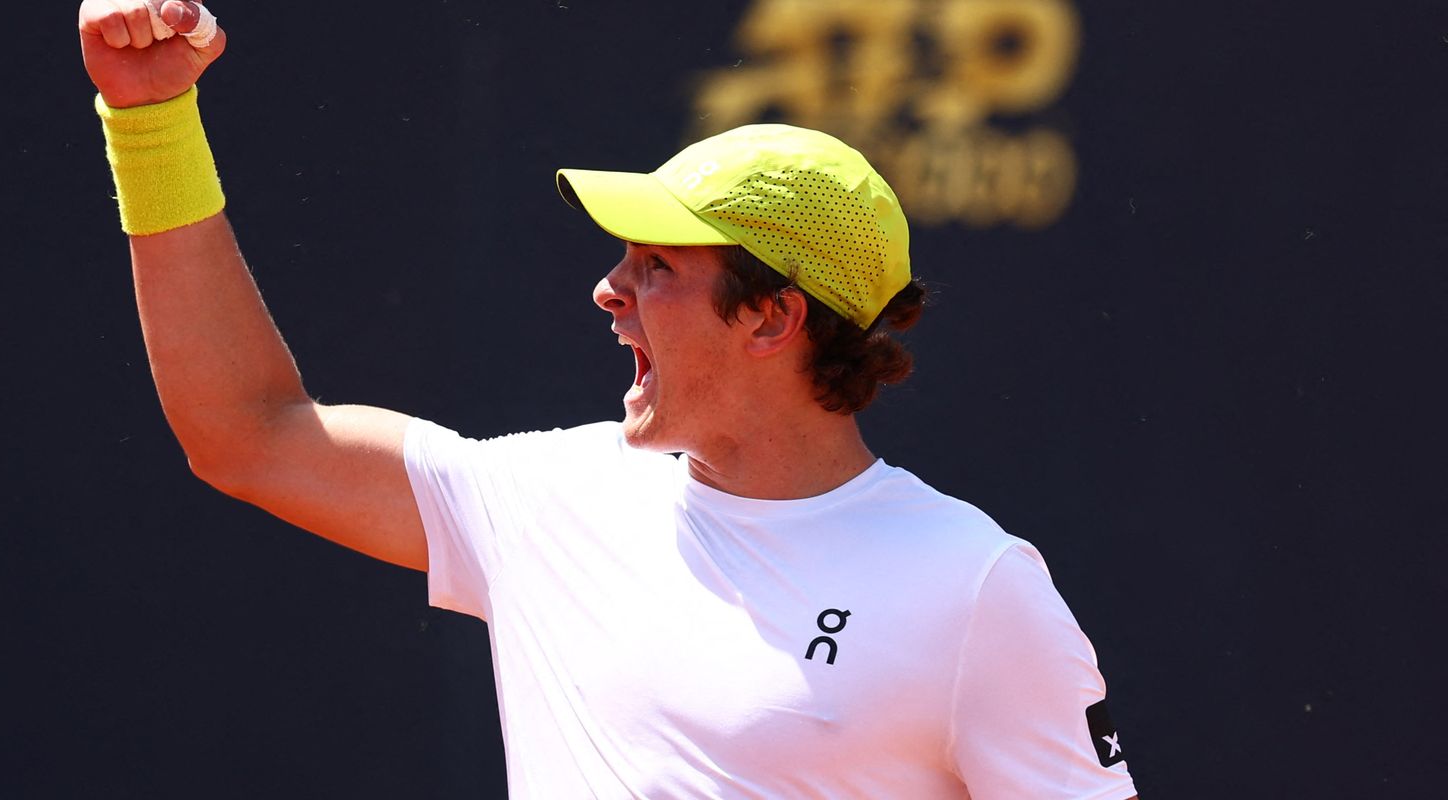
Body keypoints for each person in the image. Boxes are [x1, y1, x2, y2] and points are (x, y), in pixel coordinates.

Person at [78, 2, 1141, 797]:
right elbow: (247, 433)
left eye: (656, 268)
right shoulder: (552, 496)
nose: (608, 289)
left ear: (771, 317)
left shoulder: (972, 585)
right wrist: (151, 120)